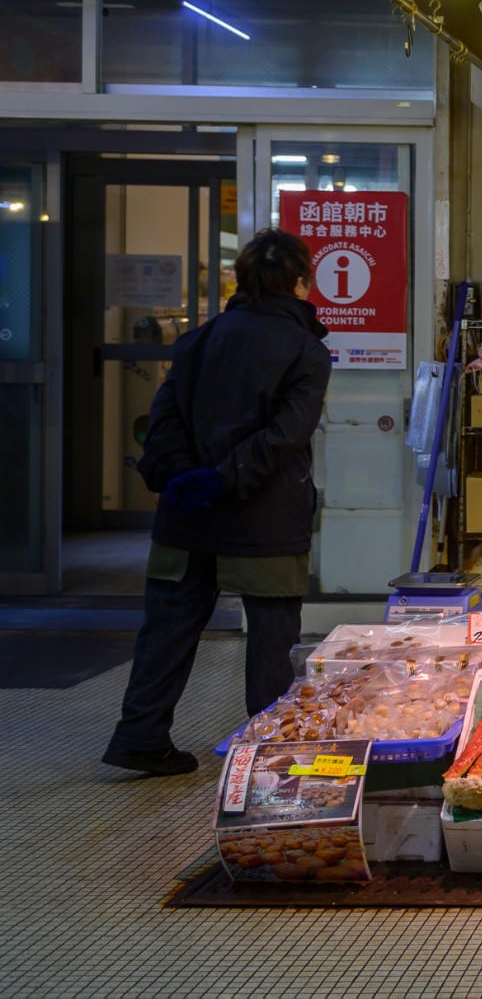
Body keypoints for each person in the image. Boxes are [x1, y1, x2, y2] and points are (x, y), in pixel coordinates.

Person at [103, 229, 332, 777]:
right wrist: (228, 479)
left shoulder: (200, 339)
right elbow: (285, 435)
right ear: (299, 283)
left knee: (168, 626)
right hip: (265, 518)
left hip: (188, 515)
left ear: (243, 279)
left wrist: (187, 478)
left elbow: (164, 422)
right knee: (273, 633)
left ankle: (140, 735)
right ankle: (269, 750)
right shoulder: (306, 349)